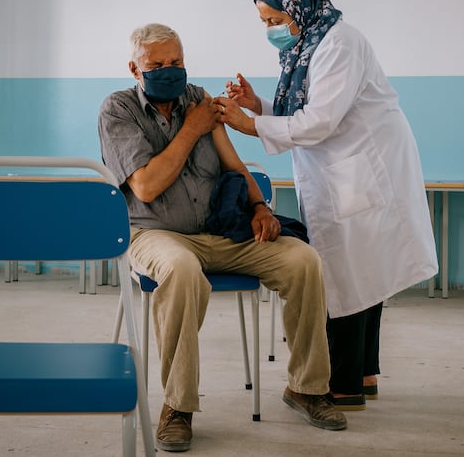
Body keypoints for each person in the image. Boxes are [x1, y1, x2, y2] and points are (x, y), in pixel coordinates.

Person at [98, 23, 346, 453]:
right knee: (181, 270)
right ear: (135, 68)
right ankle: (177, 407)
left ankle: (307, 387)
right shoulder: (118, 110)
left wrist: (260, 208)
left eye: (176, 61)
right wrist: (191, 129)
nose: (170, 71)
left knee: (302, 261)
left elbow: (234, 165)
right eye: (157, 65)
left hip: (220, 230)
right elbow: (146, 187)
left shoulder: (199, 100)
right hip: (154, 234)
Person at [215, 0, 438, 411]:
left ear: (299, 7)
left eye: (275, 19)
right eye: (263, 22)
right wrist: (257, 105)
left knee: (345, 275)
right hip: (343, 167)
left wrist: (249, 125)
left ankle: (343, 385)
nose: (271, 30)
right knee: (361, 270)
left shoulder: (339, 44)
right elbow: (305, 106)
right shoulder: (307, 45)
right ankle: (364, 374)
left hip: (362, 167)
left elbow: (319, 120)